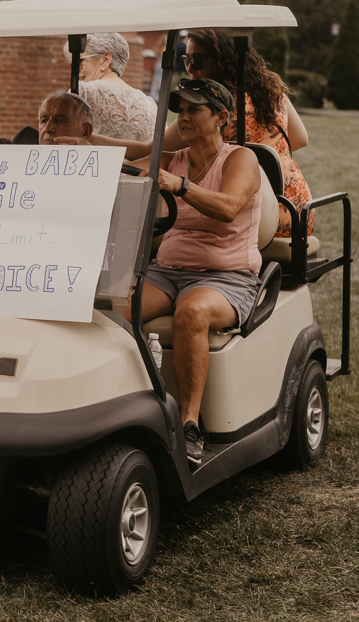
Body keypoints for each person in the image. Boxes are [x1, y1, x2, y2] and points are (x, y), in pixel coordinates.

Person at [125, 77, 262, 468]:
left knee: (192, 314)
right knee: (115, 310)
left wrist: (181, 186)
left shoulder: (240, 159)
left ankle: (188, 425)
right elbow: (127, 169)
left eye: (193, 109)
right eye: (179, 109)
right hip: (167, 271)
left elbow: (229, 206)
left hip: (227, 277)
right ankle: (130, 408)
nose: (182, 116)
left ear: (220, 117)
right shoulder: (174, 157)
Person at [181, 28, 312, 236]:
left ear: (221, 60)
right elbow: (300, 139)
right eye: (185, 60)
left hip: (257, 215)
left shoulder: (213, 107)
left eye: (196, 60)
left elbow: (159, 147)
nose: (189, 69)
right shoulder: (271, 89)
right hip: (296, 208)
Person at [0, 38, 94, 146]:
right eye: (43, 120)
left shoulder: (98, 162)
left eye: (60, 121)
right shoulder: (23, 149)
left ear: (85, 131)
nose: (48, 128)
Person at [65, 32, 157, 141]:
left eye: (79, 61)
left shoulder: (83, 91)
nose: (74, 69)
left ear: (105, 59)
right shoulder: (150, 103)